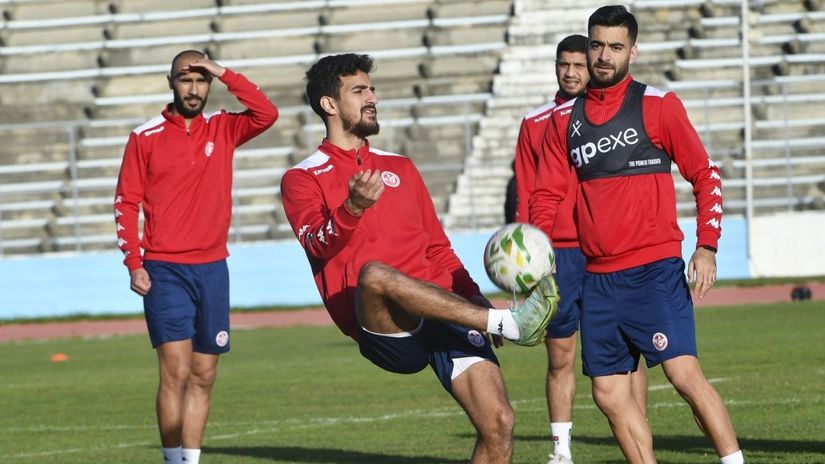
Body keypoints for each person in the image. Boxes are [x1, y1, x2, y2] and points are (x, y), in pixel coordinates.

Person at [280, 53, 559, 463]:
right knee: (374, 274)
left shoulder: (401, 167)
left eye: (372, 88)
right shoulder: (303, 177)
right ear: (329, 104)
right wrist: (352, 208)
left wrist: (474, 298)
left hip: (444, 308)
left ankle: (498, 319)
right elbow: (318, 245)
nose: (371, 97)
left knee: (498, 424)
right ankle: (510, 323)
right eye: (359, 90)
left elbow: (437, 248)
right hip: (386, 323)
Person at [530, 6, 743, 464]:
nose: (604, 56)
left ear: (633, 51)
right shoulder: (564, 120)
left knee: (684, 376)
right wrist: (536, 258)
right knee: (608, 393)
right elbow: (545, 198)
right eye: (596, 45)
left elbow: (705, 174)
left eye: (615, 47)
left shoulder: (658, 105)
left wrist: (707, 245)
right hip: (598, 279)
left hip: (654, 271)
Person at [114, 50, 278, 464]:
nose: (194, 88)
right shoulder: (145, 136)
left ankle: (191, 460)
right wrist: (134, 262)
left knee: (204, 375)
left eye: (201, 80)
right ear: (170, 82)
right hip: (164, 269)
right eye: (185, 80)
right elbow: (125, 201)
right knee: (176, 371)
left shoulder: (223, 128)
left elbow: (266, 113)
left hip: (213, 269)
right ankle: (173, 461)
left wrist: (223, 70)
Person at [516, 34, 648, 464]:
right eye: (563, 64)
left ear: (592, 65)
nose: (571, 72)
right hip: (559, 256)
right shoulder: (535, 124)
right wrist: (529, 263)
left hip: (607, 251)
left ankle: (639, 444)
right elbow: (526, 197)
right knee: (560, 355)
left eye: (578, 64)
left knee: (629, 354)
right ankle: (561, 452)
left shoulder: (610, 115)